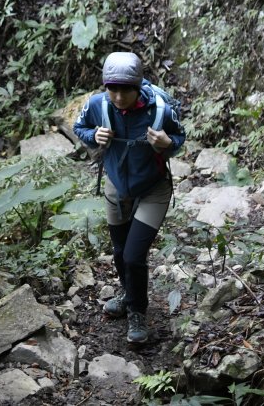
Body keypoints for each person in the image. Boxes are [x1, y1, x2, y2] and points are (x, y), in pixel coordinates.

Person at [73, 51, 185, 344]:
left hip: (153, 188)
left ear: (138, 87)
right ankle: (127, 293)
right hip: (116, 186)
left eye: (125, 89)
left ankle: (137, 311)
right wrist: (92, 136)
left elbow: (179, 138)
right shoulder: (98, 105)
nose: (119, 96)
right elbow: (79, 127)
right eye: (113, 88)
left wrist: (167, 143)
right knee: (121, 252)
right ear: (105, 86)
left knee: (135, 256)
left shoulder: (159, 110)